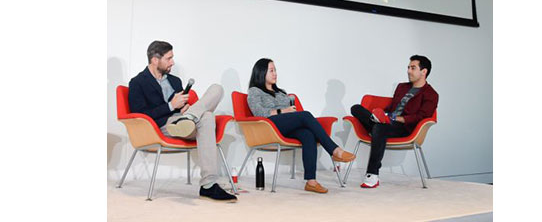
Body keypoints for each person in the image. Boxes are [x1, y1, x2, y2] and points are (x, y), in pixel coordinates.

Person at [128, 40, 237, 202]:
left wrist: (184, 110)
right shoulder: (138, 82)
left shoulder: (175, 81)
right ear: (155, 60)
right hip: (162, 126)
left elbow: (180, 106)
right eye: (169, 58)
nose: (172, 62)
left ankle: (190, 117)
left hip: (184, 122)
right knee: (206, 117)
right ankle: (208, 185)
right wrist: (171, 106)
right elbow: (139, 114)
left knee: (217, 89)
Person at [246, 58, 356, 194]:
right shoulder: (255, 91)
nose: (275, 74)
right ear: (261, 72)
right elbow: (259, 113)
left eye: (275, 70)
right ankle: (334, 150)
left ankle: (311, 182)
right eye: (271, 70)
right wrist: (283, 111)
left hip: (285, 126)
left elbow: (291, 113)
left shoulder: (281, 92)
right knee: (306, 115)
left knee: (307, 134)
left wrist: (290, 113)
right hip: (269, 127)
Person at [350, 55, 438, 188]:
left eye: (413, 68)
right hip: (387, 122)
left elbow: (422, 116)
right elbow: (392, 107)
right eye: (408, 67)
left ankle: (372, 175)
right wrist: (382, 113)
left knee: (379, 128)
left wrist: (396, 118)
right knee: (356, 108)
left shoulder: (431, 94)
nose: (408, 71)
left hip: (404, 128)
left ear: (424, 71)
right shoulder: (402, 87)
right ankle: (377, 123)